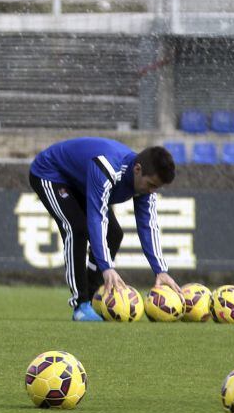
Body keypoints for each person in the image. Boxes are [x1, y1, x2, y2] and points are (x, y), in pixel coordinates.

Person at [29, 137, 181, 321]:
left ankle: (94, 298)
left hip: (80, 181)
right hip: (51, 173)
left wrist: (160, 270)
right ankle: (80, 305)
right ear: (137, 169)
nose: (152, 191)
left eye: (156, 188)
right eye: (151, 185)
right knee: (76, 229)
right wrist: (107, 266)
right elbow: (96, 218)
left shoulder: (146, 187)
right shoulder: (107, 168)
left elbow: (148, 225)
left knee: (114, 234)